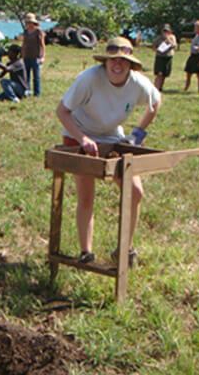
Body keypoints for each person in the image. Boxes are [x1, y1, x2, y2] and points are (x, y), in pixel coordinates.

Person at [55, 37, 161, 264]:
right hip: (78, 131)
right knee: (86, 195)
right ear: (106, 62)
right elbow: (62, 111)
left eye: (123, 61)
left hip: (112, 134)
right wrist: (82, 138)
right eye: (113, 60)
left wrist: (138, 134)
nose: (117, 65)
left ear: (130, 64)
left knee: (135, 191)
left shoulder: (138, 83)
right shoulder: (89, 79)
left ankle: (126, 249)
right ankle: (86, 252)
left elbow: (156, 102)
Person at [21, 12, 46, 96]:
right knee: (26, 75)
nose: (28, 23)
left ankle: (37, 93)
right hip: (26, 56)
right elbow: (24, 43)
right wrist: (22, 53)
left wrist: (42, 56)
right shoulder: (26, 31)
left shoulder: (38, 31)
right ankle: (27, 91)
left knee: (36, 76)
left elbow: (42, 45)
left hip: (35, 56)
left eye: (29, 21)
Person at [184, 21, 199, 92]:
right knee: (188, 72)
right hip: (192, 56)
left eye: (196, 28)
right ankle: (186, 87)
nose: (195, 29)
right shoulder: (196, 36)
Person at [152, 24, 177, 92]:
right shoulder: (158, 38)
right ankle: (155, 88)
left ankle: (160, 87)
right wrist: (157, 49)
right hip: (160, 57)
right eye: (164, 31)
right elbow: (154, 47)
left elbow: (173, 45)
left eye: (167, 31)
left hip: (167, 57)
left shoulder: (172, 37)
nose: (165, 32)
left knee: (164, 74)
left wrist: (168, 39)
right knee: (159, 74)